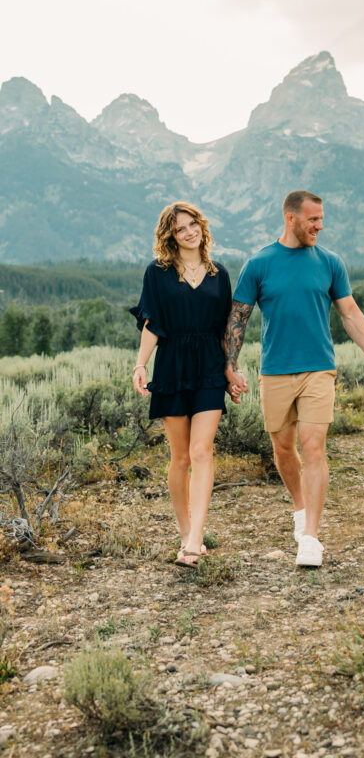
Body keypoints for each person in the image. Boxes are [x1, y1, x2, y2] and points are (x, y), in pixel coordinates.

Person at [225, 190, 364, 567]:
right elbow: (238, 318)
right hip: (275, 370)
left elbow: (350, 313)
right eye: (313, 219)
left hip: (319, 367)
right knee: (284, 449)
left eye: (321, 219)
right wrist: (230, 365)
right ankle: (300, 509)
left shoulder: (330, 262)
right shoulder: (259, 264)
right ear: (291, 218)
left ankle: (311, 538)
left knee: (313, 447)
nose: (320, 225)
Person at [131, 202, 232, 568]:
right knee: (181, 457)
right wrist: (141, 364)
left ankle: (195, 539)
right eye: (180, 229)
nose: (190, 232)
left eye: (193, 225)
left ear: (201, 226)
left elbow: (226, 329)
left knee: (202, 451)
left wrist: (232, 369)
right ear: (170, 236)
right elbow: (152, 323)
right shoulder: (157, 273)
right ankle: (185, 530)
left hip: (209, 366)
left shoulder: (219, 274)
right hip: (172, 364)